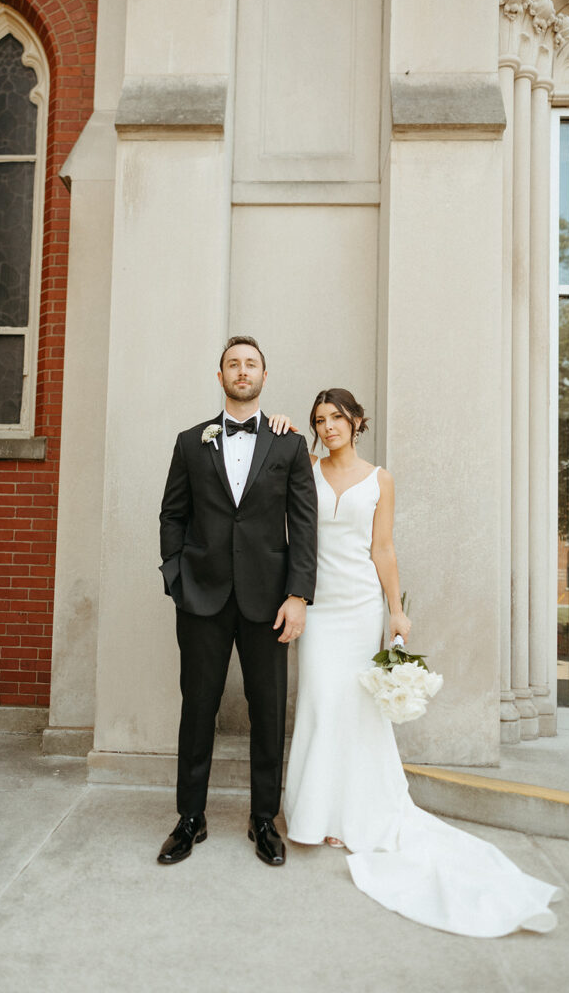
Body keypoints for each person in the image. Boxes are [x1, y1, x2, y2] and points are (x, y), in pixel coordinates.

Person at [283, 387, 562, 936]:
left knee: (357, 711)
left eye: (337, 418)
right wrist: (283, 424)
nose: (328, 427)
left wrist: (395, 611)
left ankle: (354, 816)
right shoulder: (304, 468)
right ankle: (313, 813)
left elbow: (382, 548)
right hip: (318, 603)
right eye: (320, 420)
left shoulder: (379, 478)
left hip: (361, 605)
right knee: (319, 701)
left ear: (358, 422)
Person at [157, 336, 317, 867]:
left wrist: (298, 595)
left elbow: (303, 525)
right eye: (233, 364)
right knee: (197, 708)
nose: (242, 371)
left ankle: (263, 819)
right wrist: (176, 577)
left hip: (269, 600)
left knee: (268, 711)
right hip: (201, 596)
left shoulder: (289, 445)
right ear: (220, 375)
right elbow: (172, 515)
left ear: (264, 377)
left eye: (251, 364)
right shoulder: (189, 442)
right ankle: (190, 818)